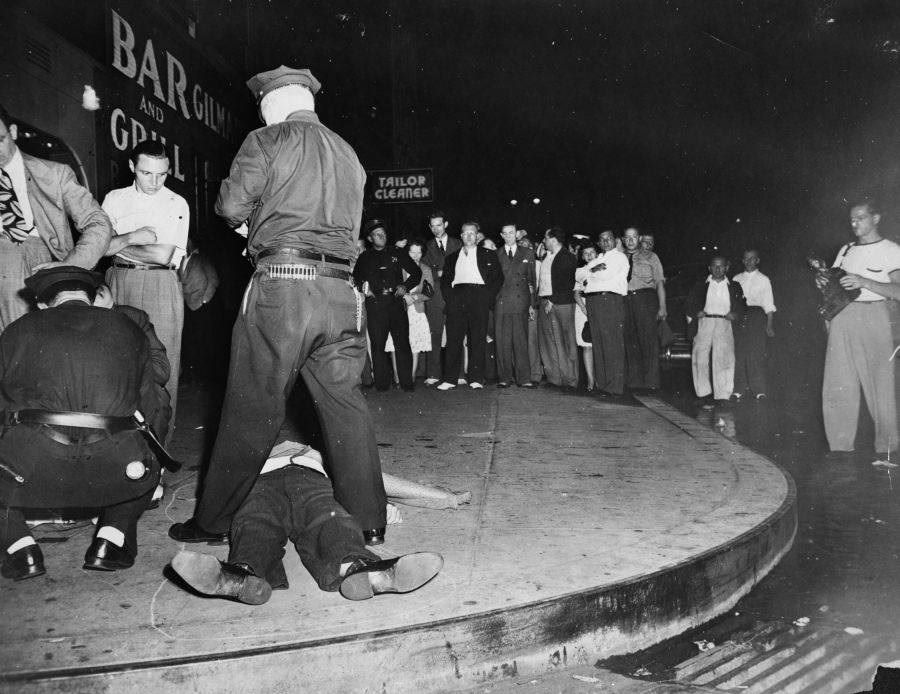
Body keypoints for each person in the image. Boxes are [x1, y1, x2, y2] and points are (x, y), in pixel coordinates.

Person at [169, 66, 388, 547]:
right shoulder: (349, 152)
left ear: (271, 104)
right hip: (343, 293)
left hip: (284, 287)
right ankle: (369, 519)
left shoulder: (266, 139)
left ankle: (215, 520)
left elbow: (230, 207)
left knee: (252, 403)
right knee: (345, 404)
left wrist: (255, 225)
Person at [0, 267, 162, 580]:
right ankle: (111, 540)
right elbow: (150, 409)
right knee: (146, 461)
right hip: (116, 468)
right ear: (92, 297)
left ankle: (21, 549)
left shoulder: (18, 330)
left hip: (35, 470)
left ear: (43, 304)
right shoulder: (129, 328)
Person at [170, 442, 443, 604]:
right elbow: (223, 476)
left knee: (328, 515)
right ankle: (241, 575)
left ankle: (360, 569)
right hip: (258, 480)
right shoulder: (247, 431)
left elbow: (358, 470)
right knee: (254, 519)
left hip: (309, 477)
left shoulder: (317, 436)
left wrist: (377, 503)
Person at [102, 140, 189, 444]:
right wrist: (135, 237)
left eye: (162, 174)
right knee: (117, 364)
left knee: (161, 370)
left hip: (160, 284)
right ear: (131, 167)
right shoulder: (113, 199)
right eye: (146, 173)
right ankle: (121, 451)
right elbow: (101, 246)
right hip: (118, 282)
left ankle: (158, 456)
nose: (154, 182)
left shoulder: (176, 203)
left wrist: (120, 243)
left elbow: (162, 255)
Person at [0, 104, 112, 330]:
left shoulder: (55, 173)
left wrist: (69, 266)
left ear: (12, 132)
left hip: (40, 262)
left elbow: (98, 223)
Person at [822, 200, 900, 456]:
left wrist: (865, 281)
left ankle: (887, 446)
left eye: (861, 217)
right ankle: (840, 447)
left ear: (876, 218)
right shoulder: (846, 250)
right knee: (838, 383)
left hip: (874, 315)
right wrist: (824, 290)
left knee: (880, 384)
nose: (854, 223)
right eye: (852, 219)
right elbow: (835, 285)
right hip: (842, 317)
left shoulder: (891, 250)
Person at [353, 220, 421, 391]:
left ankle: (407, 384)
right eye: (377, 234)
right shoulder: (364, 257)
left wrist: (405, 286)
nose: (381, 236)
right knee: (377, 345)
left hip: (396, 303)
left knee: (402, 344)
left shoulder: (397, 252)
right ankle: (382, 385)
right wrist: (364, 289)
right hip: (376, 305)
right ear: (369, 238)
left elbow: (417, 273)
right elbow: (357, 279)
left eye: (383, 233)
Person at [436, 221, 503, 390]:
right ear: (461, 236)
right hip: (457, 297)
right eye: (465, 233)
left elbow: (498, 278)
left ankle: (476, 378)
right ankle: (450, 379)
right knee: (454, 339)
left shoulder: (488, 254)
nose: (469, 236)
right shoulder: (451, 257)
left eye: (472, 233)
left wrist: (486, 298)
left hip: (479, 296)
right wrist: (451, 299)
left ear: (477, 236)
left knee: (477, 339)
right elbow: (445, 282)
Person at [685, 256, 746, 408]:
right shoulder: (700, 285)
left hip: (724, 322)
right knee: (700, 358)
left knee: (724, 359)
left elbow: (742, 306)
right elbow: (688, 304)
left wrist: (735, 315)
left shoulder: (734, 286)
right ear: (709, 268)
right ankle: (703, 394)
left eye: (721, 266)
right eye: (714, 266)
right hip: (705, 321)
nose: (718, 269)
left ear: (727, 268)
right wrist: (695, 312)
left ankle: (723, 396)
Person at [576, 230, 629, 397]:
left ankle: (614, 387)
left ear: (615, 240)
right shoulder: (599, 258)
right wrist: (593, 270)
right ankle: (603, 386)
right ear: (598, 243)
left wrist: (590, 274)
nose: (606, 242)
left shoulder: (619, 257)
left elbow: (605, 275)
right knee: (598, 343)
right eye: (602, 239)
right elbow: (579, 275)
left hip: (609, 300)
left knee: (611, 343)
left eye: (609, 239)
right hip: (593, 301)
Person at [622, 227, 667, 391]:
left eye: (634, 237)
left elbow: (660, 282)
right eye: (627, 238)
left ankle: (651, 383)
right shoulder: (619, 257)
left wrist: (662, 307)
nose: (630, 241)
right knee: (630, 340)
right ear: (623, 240)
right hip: (625, 300)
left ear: (639, 238)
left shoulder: (651, 256)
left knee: (648, 341)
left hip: (645, 298)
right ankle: (634, 382)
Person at [495, 223, 537, 388]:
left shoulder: (528, 253)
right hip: (502, 302)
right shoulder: (495, 254)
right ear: (501, 235)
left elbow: (532, 281)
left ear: (517, 234)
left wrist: (532, 305)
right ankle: (504, 377)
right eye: (505, 233)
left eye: (511, 232)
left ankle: (524, 378)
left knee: (521, 340)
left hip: (521, 302)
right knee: (503, 341)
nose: (508, 236)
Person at [422, 212, 462, 385]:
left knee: (456, 335)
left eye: (439, 224)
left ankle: (459, 374)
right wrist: (436, 273)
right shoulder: (427, 246)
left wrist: (442, 272)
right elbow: (423, 269)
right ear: (430, 227)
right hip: (436, 297)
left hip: (455, 295)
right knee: (435, 335)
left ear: (445, 224)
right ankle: (433, 374)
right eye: (433, 226)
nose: (436, 228)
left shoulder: (458, 243)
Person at [536, 227, 578, 389]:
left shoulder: (567, 257)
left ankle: (570, 380)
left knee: (565, 341)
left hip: (561, 304)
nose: (543, 241)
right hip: (545, 302)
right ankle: (555, 378)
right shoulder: (547, 256)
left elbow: (566, 282)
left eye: (545, 238)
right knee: (549, 341)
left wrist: (552, 301)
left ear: (553, 239)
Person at [385, 240, 433, 383]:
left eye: (419, 252)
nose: (416, 255)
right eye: (412, 251)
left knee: (414, 345)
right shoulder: (397, 267)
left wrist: (415, 297)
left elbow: (430, 291)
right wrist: (403, 295)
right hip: (397, 309)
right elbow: (389, 286)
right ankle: (398, 377)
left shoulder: (425, 269)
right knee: (395, 343)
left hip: (416, 311)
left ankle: (410, 377)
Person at [732, 249, 776, 400]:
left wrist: (769, 325)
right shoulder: (736, 279)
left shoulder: (764, 279)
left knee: (755, 354)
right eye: (746, 259)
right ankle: (738, 388)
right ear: (742, 261)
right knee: (739, 353)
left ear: (757, 261)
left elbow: (769, 305)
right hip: (739, 316)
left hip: (757, 316)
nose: (749, 262)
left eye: (752, 259)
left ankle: (758, 389)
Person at [573, 244, 599, 391]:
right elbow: (576, 292)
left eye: (592, 252)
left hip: (598, 305)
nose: (589, 255)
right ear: (582, 256)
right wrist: (584, 309)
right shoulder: (580, 271)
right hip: (582, 307)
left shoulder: (603, 267)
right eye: (586, 253)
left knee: (599, 344)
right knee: (586, 345)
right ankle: (590, 381)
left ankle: (601, 380)